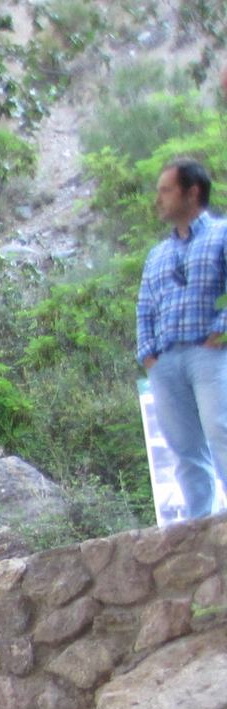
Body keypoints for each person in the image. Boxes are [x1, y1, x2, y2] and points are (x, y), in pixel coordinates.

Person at [136, 155, 227, 522]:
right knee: (183, 448)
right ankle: (199, 526)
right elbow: (144, 307)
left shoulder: (222, 234)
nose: (159, 199)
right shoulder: (157, 254)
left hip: (211, 355)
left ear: (192, 192)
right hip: (166, 362)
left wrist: (220, 331)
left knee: (221, 430)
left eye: (166, 190)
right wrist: (149, 357)